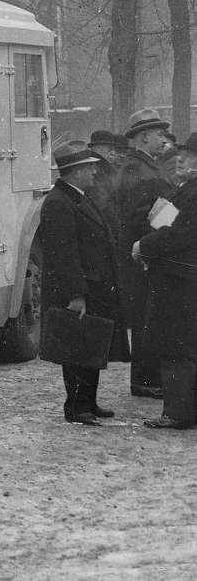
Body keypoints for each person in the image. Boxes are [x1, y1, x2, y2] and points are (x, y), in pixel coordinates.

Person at [38, 140, 129, 425]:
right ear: (76, 172)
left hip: (93, 287)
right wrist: (75, 295)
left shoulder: (76, 196)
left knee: (90, 343)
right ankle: (77, 407)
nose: (94, 173)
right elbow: (63, 254)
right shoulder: (59, 202)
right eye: (90, 168)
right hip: (79, 291)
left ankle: (89, 402)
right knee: (77, 348)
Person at [136, 132, 197, 428]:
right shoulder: (187, 188)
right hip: (181, 278)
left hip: (179, 281)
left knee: (175, 347)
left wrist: (142, 247)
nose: (180, 159)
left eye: (188, 155)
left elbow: (177, 234)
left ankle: (176, 413)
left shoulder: (193, 192)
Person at [114, 108, 177, 399]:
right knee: (146, 320)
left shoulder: (141, 166)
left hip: (144, 258)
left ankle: (147, 379)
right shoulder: (138, 170)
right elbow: (135, 219)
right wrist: (167, 225)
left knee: (148, 320)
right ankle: (145, 381)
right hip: (144, 261)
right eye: (160, 133)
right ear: (144, 135)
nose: (164, 138)